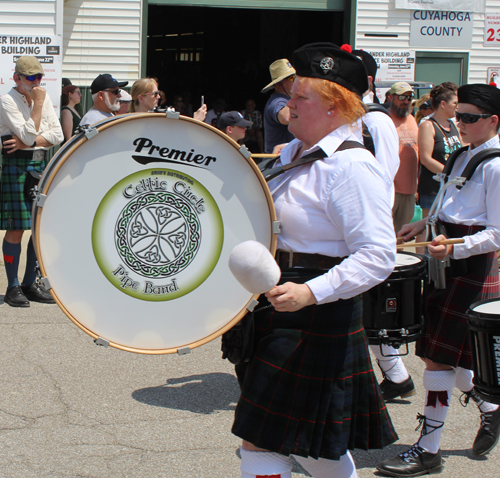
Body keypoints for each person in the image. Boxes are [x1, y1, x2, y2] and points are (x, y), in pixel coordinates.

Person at [232, 43, 398, 478]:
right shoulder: (292, 156)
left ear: (334, 106)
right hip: (277, 301)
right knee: (309, 444)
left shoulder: (352, 168)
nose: (289, 105)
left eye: (300, 97)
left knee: (264, 437)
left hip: (315, 310)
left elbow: (378, 256)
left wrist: (311, 291)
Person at [377, 83, 500, 476]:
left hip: (473, 269)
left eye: (469, 118)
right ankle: (492, 408)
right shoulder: (463, 153)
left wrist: (455, 248)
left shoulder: (497, 165)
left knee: (437, 359)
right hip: (446, 262)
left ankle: (429, 449)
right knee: (442, 354)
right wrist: (422, 225)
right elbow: (450, 204)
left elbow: (497, 232)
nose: (460, 123)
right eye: (458, 115)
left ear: (493, 121)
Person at [0, 56, 64, 307]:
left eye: (39, 77)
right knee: (16, 228)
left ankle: (29, 283)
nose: (37, 82)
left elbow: (57, 134)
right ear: (17, 78)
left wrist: (29, 141)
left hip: (38, 165)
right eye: (30, 77)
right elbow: (28, 132)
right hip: (16, 167)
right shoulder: (7, 100)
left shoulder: (43, 96)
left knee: (39, 227)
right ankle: (12, 286)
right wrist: (37, 106)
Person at [417, 83, 462, 224]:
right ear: (443, 104)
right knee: (427, 227)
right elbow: (425, 158)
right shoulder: (428, 125)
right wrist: (450, 173)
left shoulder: (454, 125)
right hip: (433, 187)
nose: (457, 107)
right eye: (455, 103)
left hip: (451, 186)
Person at [388, 81, 419, 233]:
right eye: (401, 97)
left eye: (409, 97)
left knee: (401, 237)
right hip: (390, 189)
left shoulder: (413, 120)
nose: (406, 101)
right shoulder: (385, 120)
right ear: (390, 98)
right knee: (385, 234)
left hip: (410, 190)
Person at [261, 59, 296, 153]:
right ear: (279, 84)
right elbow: (286, 118)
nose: (295, 80)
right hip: (278, 163)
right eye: (291, 78)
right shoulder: (276, 101)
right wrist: (297, 95)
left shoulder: (286, 100)